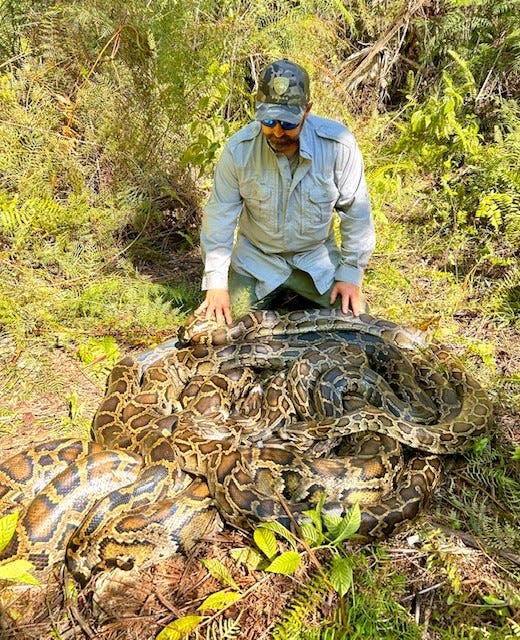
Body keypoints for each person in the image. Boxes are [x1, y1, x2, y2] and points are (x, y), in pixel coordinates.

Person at [196, 59, 375, 325]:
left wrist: (350, 274)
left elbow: (356, 213)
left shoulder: (338, 146)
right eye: (268, 120)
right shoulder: (238, 151)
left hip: (316, 262)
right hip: (257, 260)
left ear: (307, 111)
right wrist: (216, 283)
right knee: (224, 326)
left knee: (355, 321)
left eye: (288, 122)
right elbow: (220, 218)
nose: (278, 131)